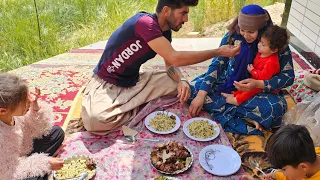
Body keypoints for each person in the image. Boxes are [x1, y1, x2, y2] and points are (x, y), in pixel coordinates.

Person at [81, 0, 240, 135]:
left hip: (133, 82)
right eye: (183, 13)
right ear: (166, 11)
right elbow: (174, 57)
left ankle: (128, 106)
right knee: (95, 122)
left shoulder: (165, 33)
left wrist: (181, 80)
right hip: (107, 83)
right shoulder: (145, 23)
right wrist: (218, 51)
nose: (186, 19)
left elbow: (170, 66)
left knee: (180, 87)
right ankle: (137, 107)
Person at [188, 4, 295, 135]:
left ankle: (226, 109)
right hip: (228, 83)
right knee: (193, 89)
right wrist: (201, 95)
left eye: (251, 32)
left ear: (262, 29)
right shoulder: (233, 36)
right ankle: (244, 116)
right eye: (243, 30)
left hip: (257, 90)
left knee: (276, 108)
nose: (245, 35)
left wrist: (259, 84)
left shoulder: (275, 42)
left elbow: (288, 77)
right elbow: (218, 64)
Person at [0, 73, 65, 180]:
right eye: (25, 101)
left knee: (57, 132)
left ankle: (37, 165)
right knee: (34, 177)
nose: (30, 100)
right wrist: (44, 163)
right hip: (7, 168)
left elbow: (36, 129)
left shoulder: (11, 114)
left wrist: (35, 107)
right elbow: (8, 171)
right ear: (3, 111)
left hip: (22, 151)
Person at [222, 25, 289, 108]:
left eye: (263, 45)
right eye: (260, 41)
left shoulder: (271, 62)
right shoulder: (262, 52)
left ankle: (237, 100)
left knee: (250, 90)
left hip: (262, 85)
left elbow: (265, 77)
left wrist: (253, 71)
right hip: (255, 78)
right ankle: (235, 94)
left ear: (274, 50)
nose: (259, 45)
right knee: (243, 86)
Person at [241, 124, 320, 180]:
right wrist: (276, 176)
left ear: (303, 167)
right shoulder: (311, 153)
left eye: (284, 169)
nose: (282, 172)